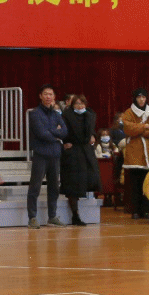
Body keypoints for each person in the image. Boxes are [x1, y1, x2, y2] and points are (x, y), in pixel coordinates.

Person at [27, 85, 68, 228]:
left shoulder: (57, 114)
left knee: (54, 187)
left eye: (51, 94)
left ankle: (52, 216)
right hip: (41, 154)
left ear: (54, 97)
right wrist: (55, 134)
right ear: (40, 96)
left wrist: (53, 132)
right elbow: (41, 133)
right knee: (35, 186)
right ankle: (32, 217)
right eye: (45, 94)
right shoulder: (35, 113)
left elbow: (64, 131)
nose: (48, 96)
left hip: (55, 154)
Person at [119, 88, 149, 219]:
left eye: (143, 97)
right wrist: (144, 126)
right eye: (139, 97)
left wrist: (139, 130)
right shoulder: (128, 113)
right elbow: (128, 129)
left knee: (147, 183)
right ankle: (135, 211)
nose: (141, 100)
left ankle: (146, 210)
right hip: (135, 153)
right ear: (135, 98)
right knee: (135, 184)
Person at [59, 95, 97, 226]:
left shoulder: (90, 116)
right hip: (72, 154)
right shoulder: (66, 116)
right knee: (73, 185)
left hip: (86, 153)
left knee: (87, 180)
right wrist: (65, 143)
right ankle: (75, 215)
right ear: (72, 105)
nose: (80, 106)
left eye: (82, 103)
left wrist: (93, 136)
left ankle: (81, 212)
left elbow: (92, 131)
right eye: (77, 104)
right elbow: (63, 133)